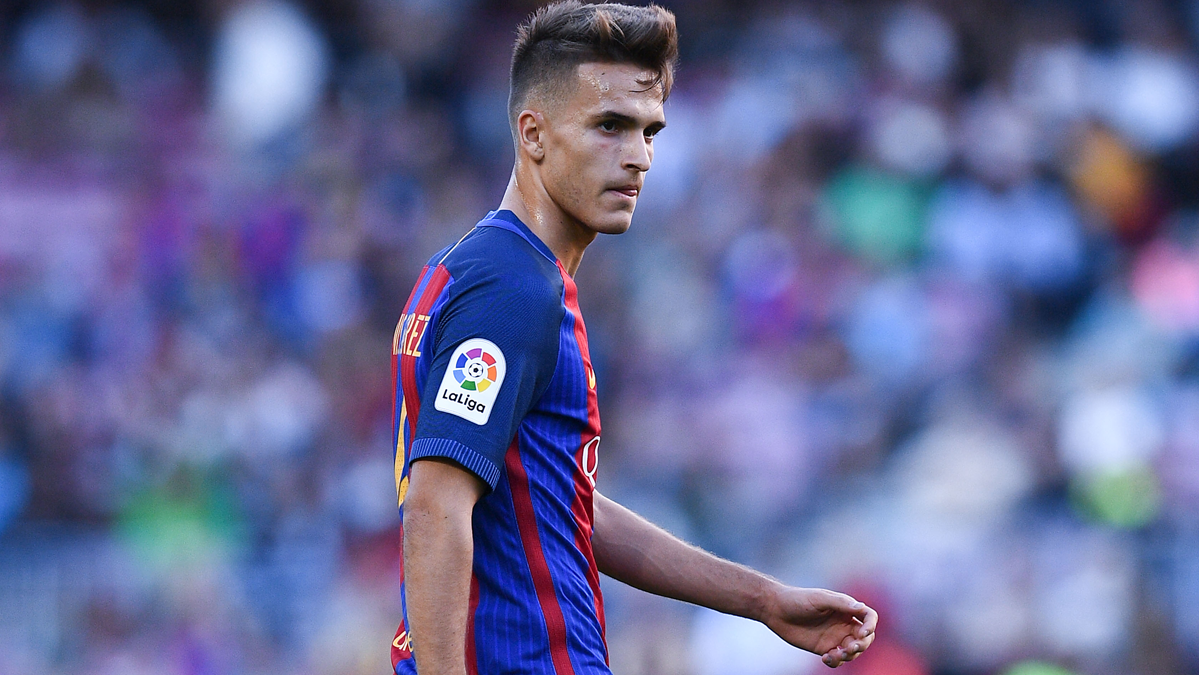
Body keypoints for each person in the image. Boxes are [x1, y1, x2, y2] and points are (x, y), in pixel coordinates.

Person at [389, 3, 878, 674]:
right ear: (533, 134)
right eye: (609, 126)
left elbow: (558, 502)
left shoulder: (468, 269)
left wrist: (762, 600)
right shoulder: (513, 288)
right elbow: (435, 502)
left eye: (650, 131)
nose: (639, 157)